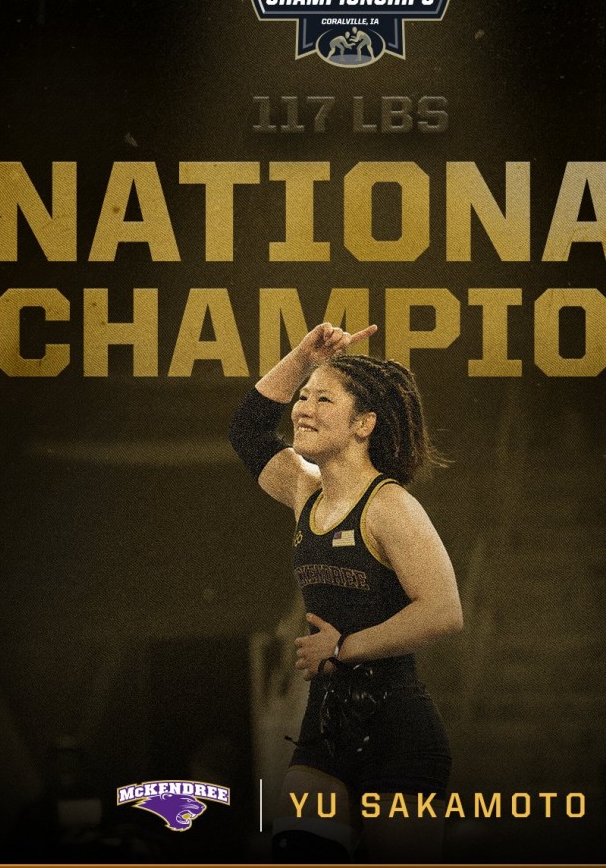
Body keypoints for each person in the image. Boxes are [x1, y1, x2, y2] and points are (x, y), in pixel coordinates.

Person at [229, 322, 463, 863]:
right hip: (326, 726)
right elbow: (247, 429)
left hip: (399, 733)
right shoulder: (303, 490)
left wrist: (342, 647)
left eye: (323, 399)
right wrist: (302, 358)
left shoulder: (391, 506)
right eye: (303, 397)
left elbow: (444, 612)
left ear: (364, 423)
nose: (302, 409)